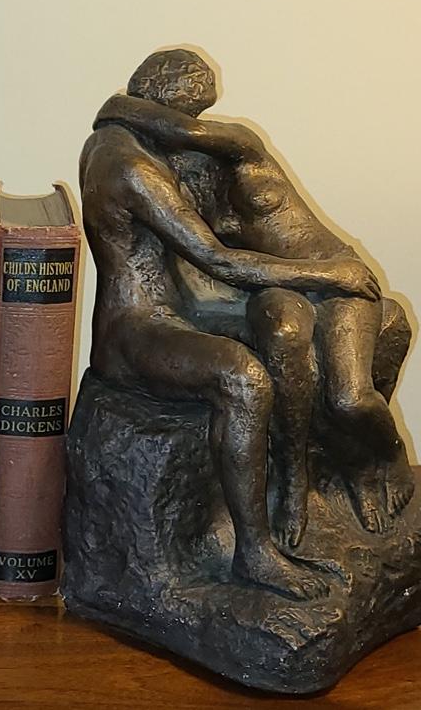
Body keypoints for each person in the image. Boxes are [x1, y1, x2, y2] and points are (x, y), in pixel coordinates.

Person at [81, 61, 382, 599]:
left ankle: (296, 474)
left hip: (180, 310)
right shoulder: (131, 167)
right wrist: (329, 274)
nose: (193, 127)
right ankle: (255, 553)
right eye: (192, 112)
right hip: (138, 327)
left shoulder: (121, 139)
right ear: (164, 103)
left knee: (284, 325)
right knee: (243, 380)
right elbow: (218, 259)